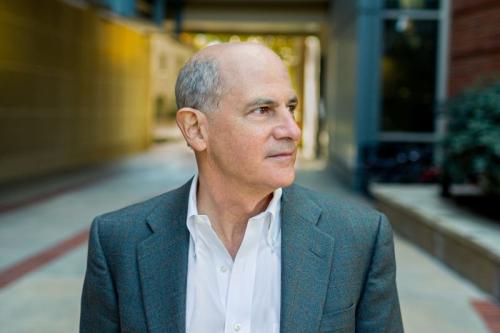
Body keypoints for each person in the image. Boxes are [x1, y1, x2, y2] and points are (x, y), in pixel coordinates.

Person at [80, 42, 404, 333]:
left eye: (290, 108)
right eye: (263, 110)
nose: (292, 130)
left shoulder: (359, 238)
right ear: (195, 129)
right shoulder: (117, 242)